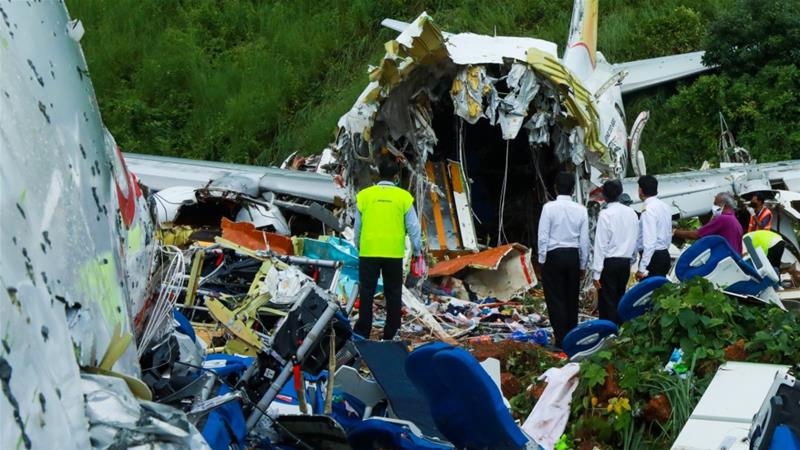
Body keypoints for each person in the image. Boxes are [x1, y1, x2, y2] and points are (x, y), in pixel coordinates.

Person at [353, 156, 423, 340]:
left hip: (369, 252)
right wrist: (417, 252)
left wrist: (359, 245)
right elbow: (414, 228)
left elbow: (357, 227)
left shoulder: (365, 196)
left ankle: (362, 331)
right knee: (393, 294)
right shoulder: (403, 197)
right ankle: (390, 334)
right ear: (396, 176)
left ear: (378, 174)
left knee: (367, 292)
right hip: (393, 254)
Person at [537, 172, 589, 348]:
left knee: (555, 297)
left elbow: (543, 236)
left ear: (555, 187)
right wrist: (583, 264)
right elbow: (584, 241)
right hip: (572, 255)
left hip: (553, 255)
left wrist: (542, 259)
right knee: (571, 296)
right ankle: (572, 336)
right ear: (573, 189)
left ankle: (560, 338)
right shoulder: (581, 210)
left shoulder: (548, 208)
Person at [592, 180, 639, 325]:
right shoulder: (632, 213)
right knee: (620, 298)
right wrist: (632, 260)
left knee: (607, 302)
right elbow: (635, 239)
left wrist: (596, 272)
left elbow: (601, 244)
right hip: (625, 262)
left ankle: (608, 334)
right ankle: (620, 331)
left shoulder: (605, 214)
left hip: (609, 262)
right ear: (620, 193)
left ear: (604, 195)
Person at [674, 192, 744, 254]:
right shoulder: (736, 222)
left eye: (716, 204)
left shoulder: (723, 219)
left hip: (722, 258)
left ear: (725, 205)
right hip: (733, 261)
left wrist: (674, 231)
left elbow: (696, 235)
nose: (714, 207)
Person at [636, 175, 672, 280]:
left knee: (647, 293)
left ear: (641, 190)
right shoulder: (665, 206)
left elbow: (650, 241)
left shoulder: (648, 209)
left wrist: (642, 267)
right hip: (664, 253)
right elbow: (668, 233)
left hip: (653, 258)